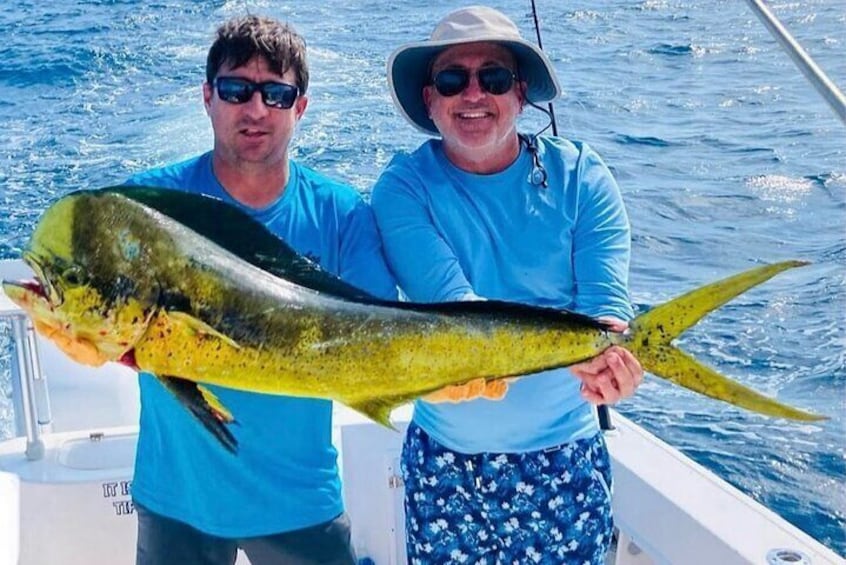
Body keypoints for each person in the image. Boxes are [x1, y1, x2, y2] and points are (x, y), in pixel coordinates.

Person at [370, 6, 644, 564]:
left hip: (565, 460)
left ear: (521, 95)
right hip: (445, 463)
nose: (473, 95)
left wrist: (614, 364)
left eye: (493, 78)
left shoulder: (584, 178)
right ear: (430, 100)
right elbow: (459, 315)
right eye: (452, 80)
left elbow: (605, 312)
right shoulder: (401, 188)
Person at [125, 15, 397, 565]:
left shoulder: (342, 214)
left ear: (300, 107)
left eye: (276, 93)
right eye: (235, 90)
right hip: (178, 500)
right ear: (207, 97)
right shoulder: (149, 206)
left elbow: (380, 344)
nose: (255, 110)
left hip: (302, 503)